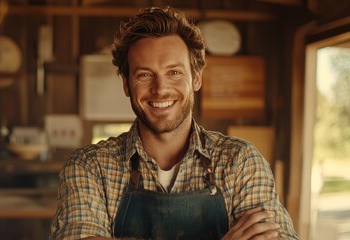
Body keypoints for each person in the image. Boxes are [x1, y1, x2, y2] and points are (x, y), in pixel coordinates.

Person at [49, 5, 298, 240]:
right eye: (145, 75)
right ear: (126, 84)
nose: (160, 90)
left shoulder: (240, 161)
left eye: (174, 72)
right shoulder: (90, 167)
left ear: (196, 78)